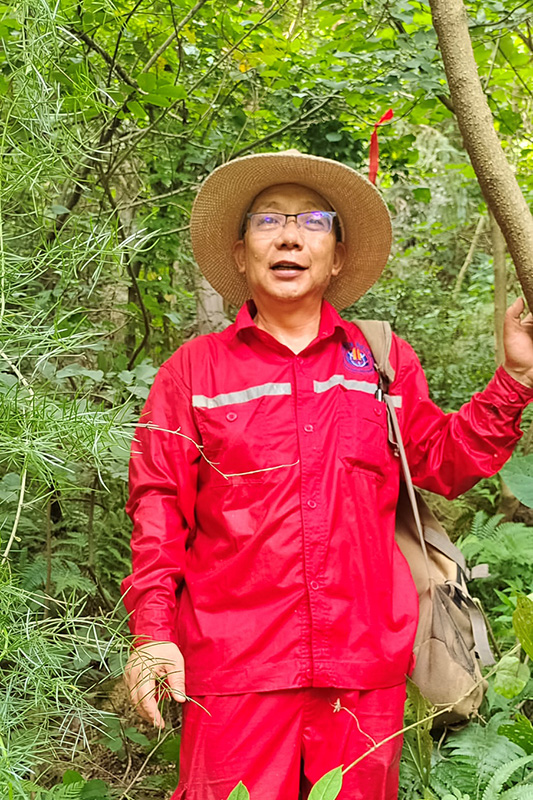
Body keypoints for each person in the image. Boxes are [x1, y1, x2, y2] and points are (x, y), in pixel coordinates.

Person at [121, 150, 533, 800]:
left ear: (337, 257)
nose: (290, 236)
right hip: (235, 671)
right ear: (239, 254)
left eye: (312, 221)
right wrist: (151, 633)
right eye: (268, 221)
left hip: (362, 670)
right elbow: (157, 506)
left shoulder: (380, 362)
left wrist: (516, 377)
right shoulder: (192, 373)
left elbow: (445, 461)